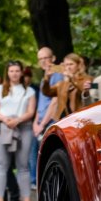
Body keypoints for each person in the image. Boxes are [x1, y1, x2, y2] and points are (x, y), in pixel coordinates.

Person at [0, 60, 36, 201]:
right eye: (11, 71)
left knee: (23, 165)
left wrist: (18, 120)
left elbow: (30, 111)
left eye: (17, 71)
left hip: (23, 128)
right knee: (2, 164)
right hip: (4, 128)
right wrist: (5, 119)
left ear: (21, 72)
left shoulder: (29, 91)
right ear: (7, 73)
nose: (14, 74)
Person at [30, 47, 62, 190]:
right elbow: (41, 103)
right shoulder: (45, 77)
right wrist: (35, 123)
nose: (43, 61)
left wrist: (42, 124)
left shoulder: (58, 74)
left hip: (50, 122)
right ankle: (37, 186)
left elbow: (55, 101)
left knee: (47, 158)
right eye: (40, 59)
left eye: (46, 58)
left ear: (53, 58)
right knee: (36, 157)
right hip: (40, 123)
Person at [42, 53, 92, 124]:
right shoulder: (62, 83)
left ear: (78, 65)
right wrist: (47, 79)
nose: (68, 67)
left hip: (80, 119)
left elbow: (83, 92)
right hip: (64, 120)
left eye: (71, 64)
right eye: (66, 65)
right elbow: (47, 92)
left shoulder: (87, 79)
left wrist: (72, 78)